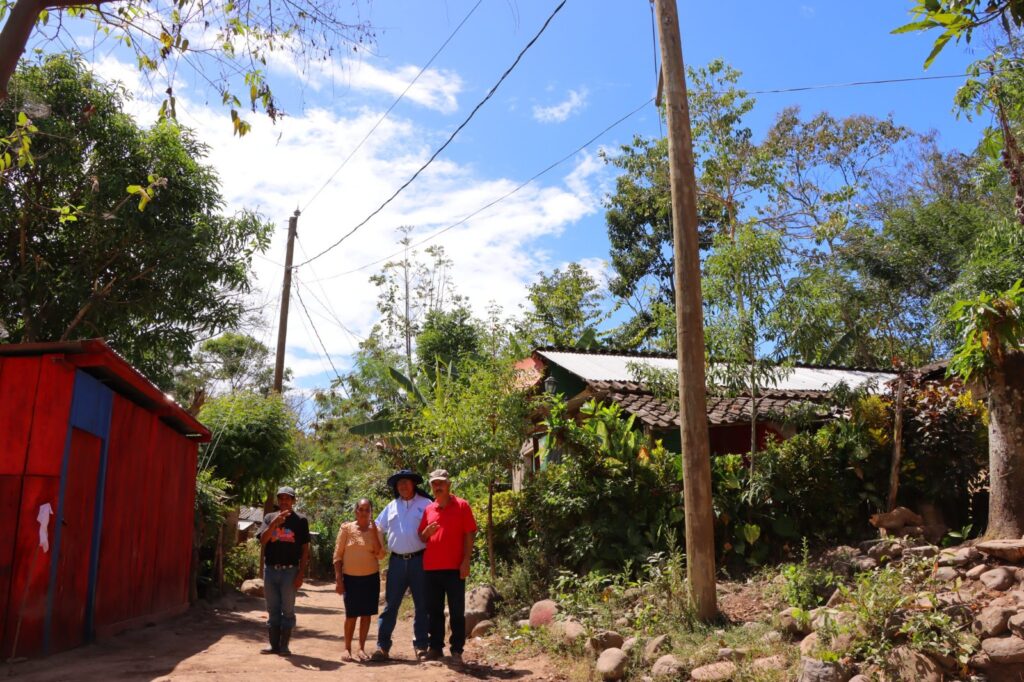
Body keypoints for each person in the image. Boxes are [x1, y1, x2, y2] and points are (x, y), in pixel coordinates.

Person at [370, 469, 433, 662]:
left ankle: (421, 646)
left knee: (422, 605)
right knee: (391, 605)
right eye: (399, 483)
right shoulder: (391, 506)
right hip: (396, 562)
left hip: (420, 561)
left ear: (414, 484)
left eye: (406, 482)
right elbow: (377, 527)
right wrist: (381, 548)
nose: (402, 486)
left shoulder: (426, 504)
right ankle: (382, 647)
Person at [417, 469, 477, 665]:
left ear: (448, 484)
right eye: (434, 484)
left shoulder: (462, 505)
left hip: (454, 568)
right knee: (433, 610)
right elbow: (422, 537)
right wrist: (426, 533)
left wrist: (466, 560)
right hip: (431, 568)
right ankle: (435, 648)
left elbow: (469, 533)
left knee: (456, 611)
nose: (438, 487)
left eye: (441, 483)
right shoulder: (429, 509)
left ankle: (456, 650)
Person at [257, 485, 310, 656]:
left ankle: (284, 646)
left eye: (288, 498)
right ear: (278, 500)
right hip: (271, 570)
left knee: (287, 609)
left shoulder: (301, 520)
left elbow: (305, 550)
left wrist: (301, 574)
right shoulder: (269, 517)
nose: (284, 501)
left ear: (293, 501)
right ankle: (273, 645)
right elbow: (263, 541)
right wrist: (274, 523)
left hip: (290, 572)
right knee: (272, 608)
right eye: (281, 498)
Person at [333, 498, 386, 662]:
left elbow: (381, 555)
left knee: (366, 614)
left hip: (370, 578)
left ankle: (361, 648)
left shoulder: (377, 530)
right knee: (351, 615)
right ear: (356, 511)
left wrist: (374, 532)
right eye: (361, 509)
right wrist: (339, 580)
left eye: (367, 510)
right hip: (350, 579)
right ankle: (347, 648)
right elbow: (338, 556)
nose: (364, 513)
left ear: (371, 512)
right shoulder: (346, 529)